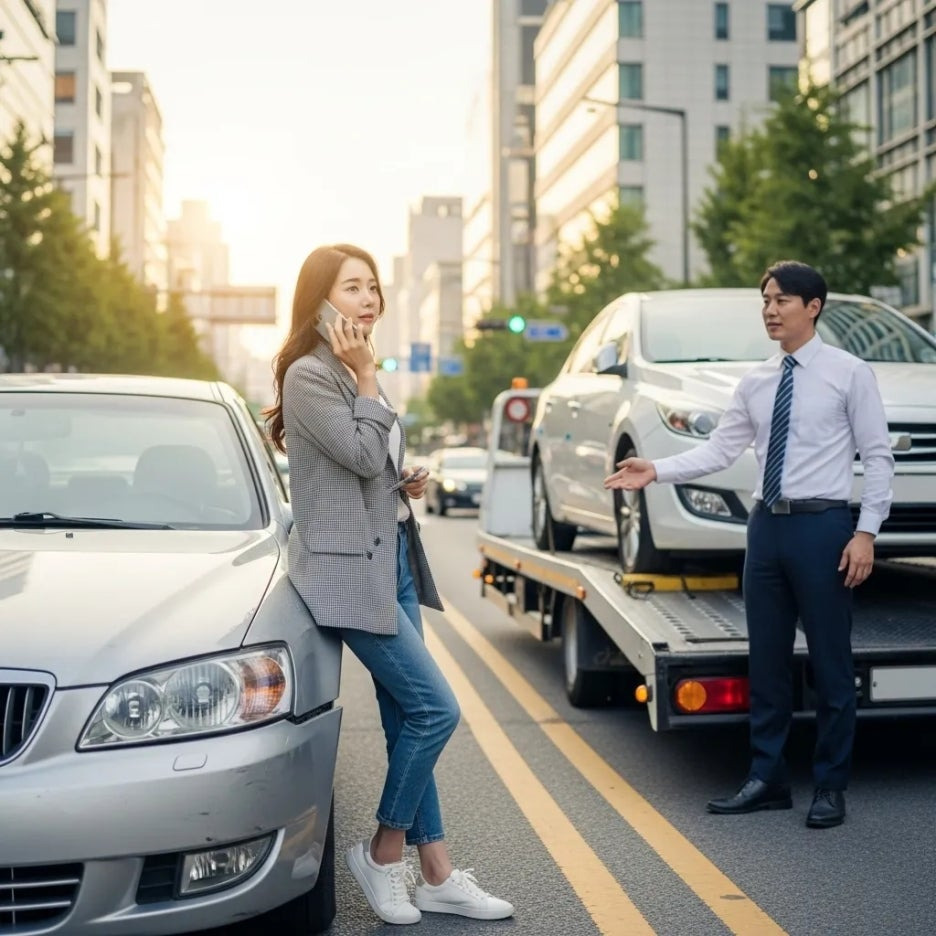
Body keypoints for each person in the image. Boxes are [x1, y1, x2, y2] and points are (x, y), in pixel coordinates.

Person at [264, 244, 514, 924]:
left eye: (373, 288)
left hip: (393, 557)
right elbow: (361, 449)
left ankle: (435, 875)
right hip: (347, 574)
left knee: (409, 715)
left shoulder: (350, 369)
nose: (369, 300)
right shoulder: (315, 375)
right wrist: (369, 378)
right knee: (437, 710)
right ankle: (380, 854)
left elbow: (369, 465)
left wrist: (400, 483)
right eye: (353, 288)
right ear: (319, 300)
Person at [604, 261, 894, 829]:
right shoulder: (758, 381)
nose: (769, 309)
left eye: (781, 299)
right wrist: (655, 469)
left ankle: (830, 786)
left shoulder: (849, 372)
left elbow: (878, 457)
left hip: (824, 527)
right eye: (765, 300)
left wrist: (866, 533)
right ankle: (768, 778)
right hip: (765, 529)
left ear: (813, 307)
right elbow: (718, 451)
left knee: (832, 665)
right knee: (766, 661)